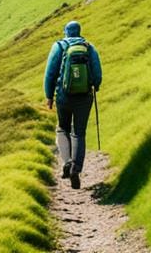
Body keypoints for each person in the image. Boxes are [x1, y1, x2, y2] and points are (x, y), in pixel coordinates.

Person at [43, 20, 102, 189]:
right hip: (84, 97)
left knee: (63, 128)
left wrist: (49, 97)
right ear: (79, 31)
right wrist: (94, 86)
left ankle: (67, 162)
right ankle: (76, 169)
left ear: (65, 32)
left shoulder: (59, 47)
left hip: (63, 96)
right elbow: (97, 74)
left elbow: (50, 74)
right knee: (79, 132)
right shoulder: (89, 47)